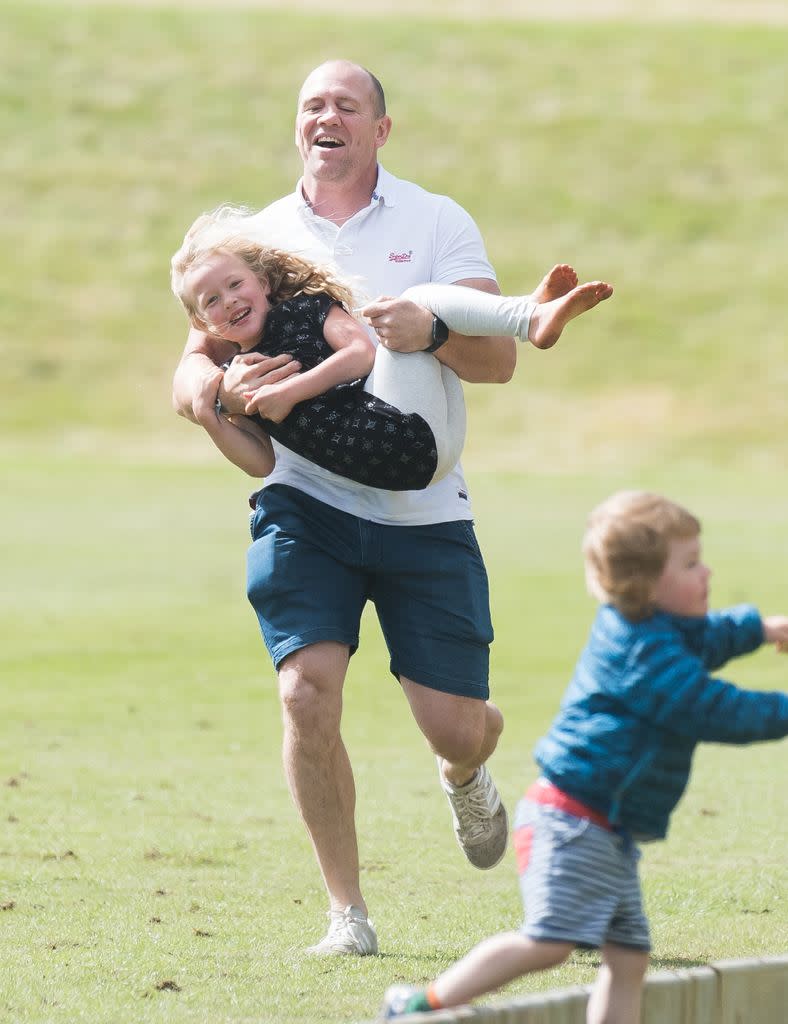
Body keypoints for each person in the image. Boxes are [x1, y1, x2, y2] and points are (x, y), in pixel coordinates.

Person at [171, 58, 589, 957]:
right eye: (313, 104)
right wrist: (208, 389)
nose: (328, 116)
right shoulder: (257, 238)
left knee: (457, 725)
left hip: (421, 496)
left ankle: (467, 760)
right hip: (305, 501)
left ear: (379, 131)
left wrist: (434, 336)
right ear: (297, 127)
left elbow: (495, 369)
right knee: (306, 692)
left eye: (346, 106)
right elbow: (195, 352)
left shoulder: (437, 220)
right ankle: (347, 914)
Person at [381, 489, 788, 1021]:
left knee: (628, 959)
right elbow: (717, 709)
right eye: (691, 564)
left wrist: (760, 630)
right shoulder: (643, 654)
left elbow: (706, 635)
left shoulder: (655, 628)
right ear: (645, 583)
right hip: (572, 824)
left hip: (606, 829)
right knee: (549, 943)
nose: (707, 573)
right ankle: (419, 1004)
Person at [171, 205, 613, 489]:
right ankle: (527, 312)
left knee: (415, 306)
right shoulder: (238, 372)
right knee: (417, 309)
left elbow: (360, 353)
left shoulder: (305, 310)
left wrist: (292, 391)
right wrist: (213, 416)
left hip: (404, 435)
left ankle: (528, 316)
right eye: (212, 300)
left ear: (263, 282)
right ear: (202, 322)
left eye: (235, 285)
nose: (228, 300)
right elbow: (261, 463)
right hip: (397, 460)